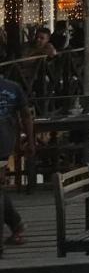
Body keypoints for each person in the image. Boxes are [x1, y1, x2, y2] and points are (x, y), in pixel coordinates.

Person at [0, 75, 34, 245]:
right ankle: (16, 225)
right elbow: (26, 116)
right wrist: (30, 140)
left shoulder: (14, 87)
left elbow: (25, 116)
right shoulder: (13, 87)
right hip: (6, 144)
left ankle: (16, 225)